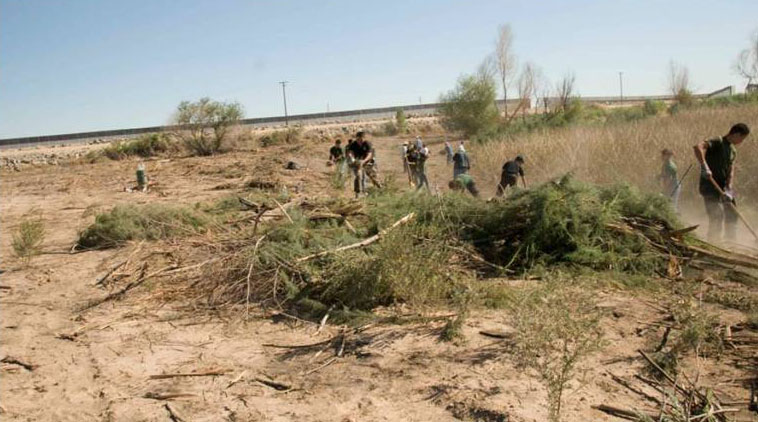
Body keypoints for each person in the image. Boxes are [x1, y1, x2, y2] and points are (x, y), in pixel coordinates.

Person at [693, 123, 750, 241]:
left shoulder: (733, 150)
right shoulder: (718, 141)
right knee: (717, 214)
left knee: (733, 214)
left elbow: (731, 168)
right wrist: (704, 166)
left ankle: (731, 241)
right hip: (710, 185)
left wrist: (729, 187)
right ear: (736, 134)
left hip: (723, 186)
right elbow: (698, 147)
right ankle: (714, 242)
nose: (741, 141)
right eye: (742, 138)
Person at [347, 131, 382, 197]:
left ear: (364, 138)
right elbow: (350, 152)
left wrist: (363, 161)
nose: (359, 141)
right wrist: (352, 158)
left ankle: (379, 187)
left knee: (372, 176)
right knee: (358, 176)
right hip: (358, 161)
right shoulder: (353, 144)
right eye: (358, 139)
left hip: (369, 162)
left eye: (361, 139)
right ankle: (358, 192)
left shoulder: (367, 144)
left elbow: (369, 154)